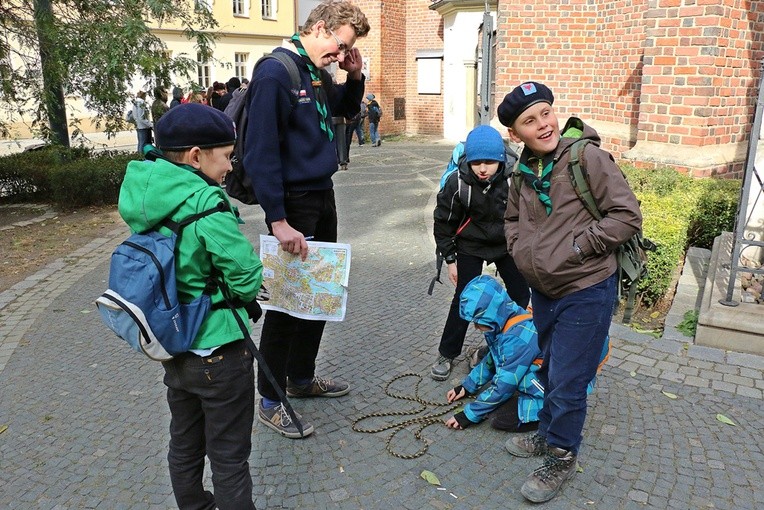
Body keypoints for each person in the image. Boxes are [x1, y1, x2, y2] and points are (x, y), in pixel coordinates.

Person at [499, 81, 642, 503]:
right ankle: (547, 435)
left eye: (546, 113)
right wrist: (519, 251)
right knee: (549, 369)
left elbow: (626, 215)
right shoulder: (523, 170)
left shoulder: (586, 157)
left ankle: (562, 455)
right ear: (515, 133)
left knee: (568, 378)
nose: (543, 124)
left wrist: (579, 247)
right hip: (545, 290)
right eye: (530, 120)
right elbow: (511, 218)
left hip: (587, 287)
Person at [118, 103, 264, 509]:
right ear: (197, 156)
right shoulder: (207, 205)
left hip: (174, 342)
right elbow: (246, 277)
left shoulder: (148, 190)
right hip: (218, 348)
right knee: (230, 456)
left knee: (184, 443)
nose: (231, 167)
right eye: (227, 157)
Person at [242, 0, 370, 439]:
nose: (339, 56)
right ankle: (271, 399)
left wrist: (353, 75)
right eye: (339, 47)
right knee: (285, 304)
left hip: (322, 195)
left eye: (345, 51)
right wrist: (277, 220)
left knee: (319, 293)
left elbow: (345, 112)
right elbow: (260, 151)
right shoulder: (275, 72)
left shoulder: (315, 71)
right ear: (319, 27)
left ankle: (301, 378)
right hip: (293, 205)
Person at [431, 124, 530, 381]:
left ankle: (500, 346)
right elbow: (443, 223)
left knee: (520, 293)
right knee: (465, 297)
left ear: (500, 159)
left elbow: (529, 217)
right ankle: (447, 352)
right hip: (470, 244)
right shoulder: (457, 183)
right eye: (476, 163)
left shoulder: (513, 179)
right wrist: (450, 259)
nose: (483, 169)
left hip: (505, 242)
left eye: (489, 162)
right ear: (468, 161)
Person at [443, 275, 542, 432]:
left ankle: (548, 416)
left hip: (550, 390)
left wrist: (468, 415)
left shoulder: (516, 340)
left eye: (479, 322)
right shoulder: (504, 319)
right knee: (489, 362)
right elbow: (493, 359)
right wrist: (467, 387)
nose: (475, 327)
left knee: (498, 419)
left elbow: (504, 385)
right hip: (525, 367)